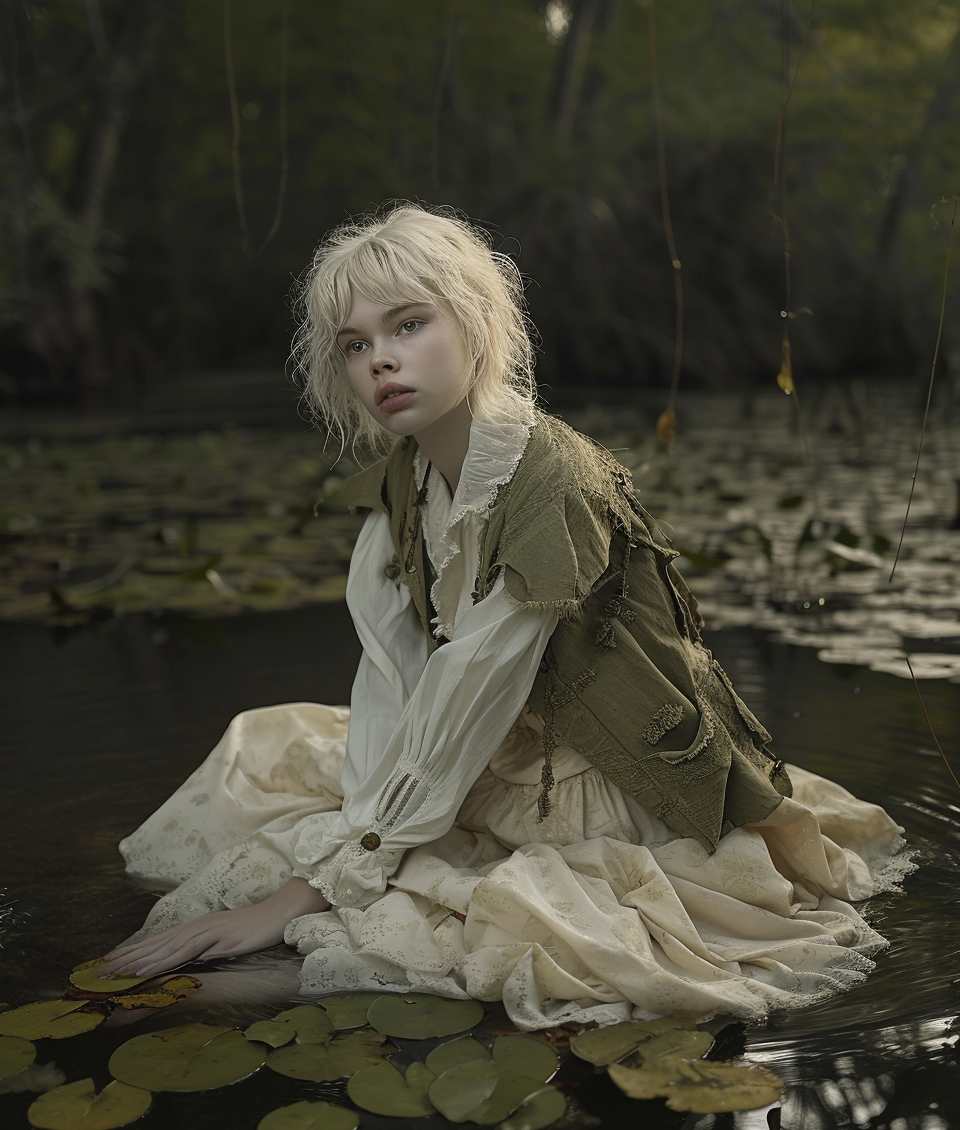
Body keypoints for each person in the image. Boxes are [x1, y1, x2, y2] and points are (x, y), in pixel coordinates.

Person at [103, 205, 910, 1030]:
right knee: (269, 756)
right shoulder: (406, 482)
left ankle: (298, 976)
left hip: (603, 772)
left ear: (479, 323)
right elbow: (395, 681)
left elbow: (469, 692)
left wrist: (305, 893)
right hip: (491, 741)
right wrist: (354, 837)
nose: (380, 358)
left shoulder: (549, 484)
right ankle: (310, 947)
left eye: (409, 325)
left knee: (508, 921)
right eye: (355, 343)